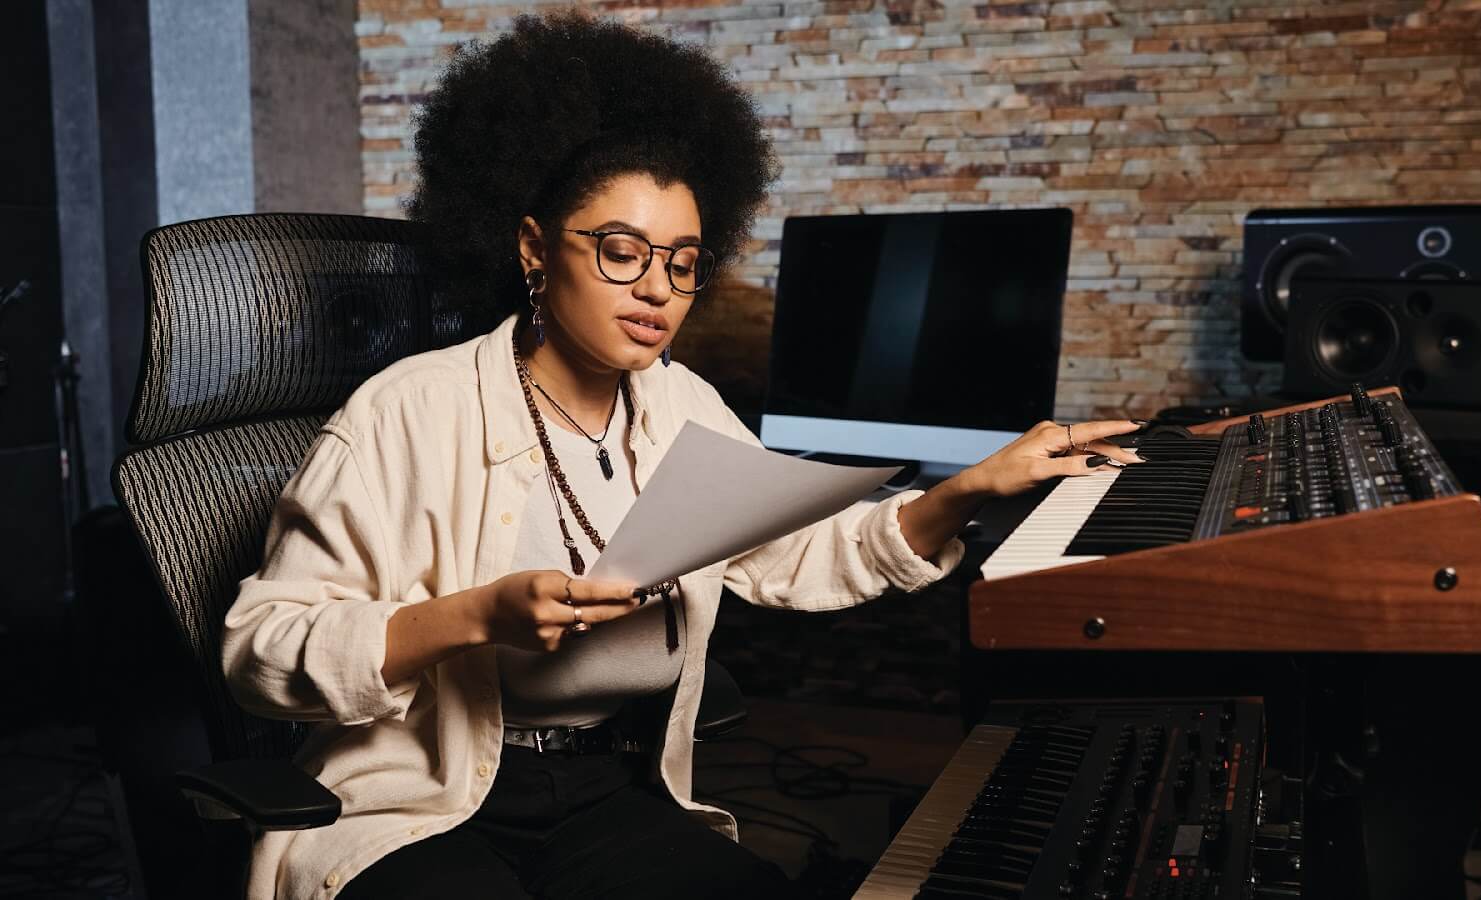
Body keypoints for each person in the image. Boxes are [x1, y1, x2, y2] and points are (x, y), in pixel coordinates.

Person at [221, 11, 1144, 899]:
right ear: (536, 250)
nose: (656, 290)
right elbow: (259, 648)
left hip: (605, 794)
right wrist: (474, 616)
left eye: (682, 262)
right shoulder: (406, 412)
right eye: (622, 252)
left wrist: (971, 488)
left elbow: (804, 550)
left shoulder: (681, 405)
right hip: (423, 804)